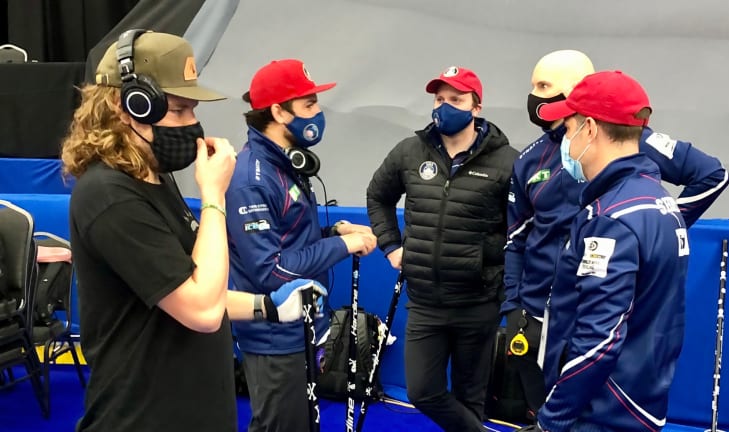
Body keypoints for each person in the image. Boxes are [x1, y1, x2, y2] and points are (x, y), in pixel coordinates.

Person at [62, 31, 326, 432]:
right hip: (143, 420)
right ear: (127, 105)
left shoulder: (155, 180)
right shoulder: (109, 196)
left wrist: (268, 306)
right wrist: (213, 195)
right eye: (179, 110)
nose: (194, 125)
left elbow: (193, 284)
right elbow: (202, 310)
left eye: (193, 111)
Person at [500, 50, 729, 421]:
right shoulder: (531, 159)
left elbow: (599, 341)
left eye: (544, 85)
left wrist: (654, 229)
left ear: (589, 125)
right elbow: (516, 238)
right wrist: (515, 306)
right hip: (550, 315)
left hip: (606, 378)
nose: (535, 97)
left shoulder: (625, 178)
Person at [226, 58, 377, 432]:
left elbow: (292, 239)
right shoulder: (252, 179)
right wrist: (344, 246)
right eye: (309, 104)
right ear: (278, 112)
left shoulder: (287, 165)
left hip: (304, 327)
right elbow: (272, 269)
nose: (318, 113)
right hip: (275, 338)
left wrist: (334, 232)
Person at [367, 66, 519, 432]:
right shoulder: (409, 152)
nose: (444, 106)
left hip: (478, 301)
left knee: (470, 397)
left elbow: (522, 228)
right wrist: (391, 246)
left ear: (476, 107)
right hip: (425, 302)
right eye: (439, 99)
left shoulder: (508, 161)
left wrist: (496, 269)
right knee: (422, 391)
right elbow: (378, 196)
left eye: (456, 99)